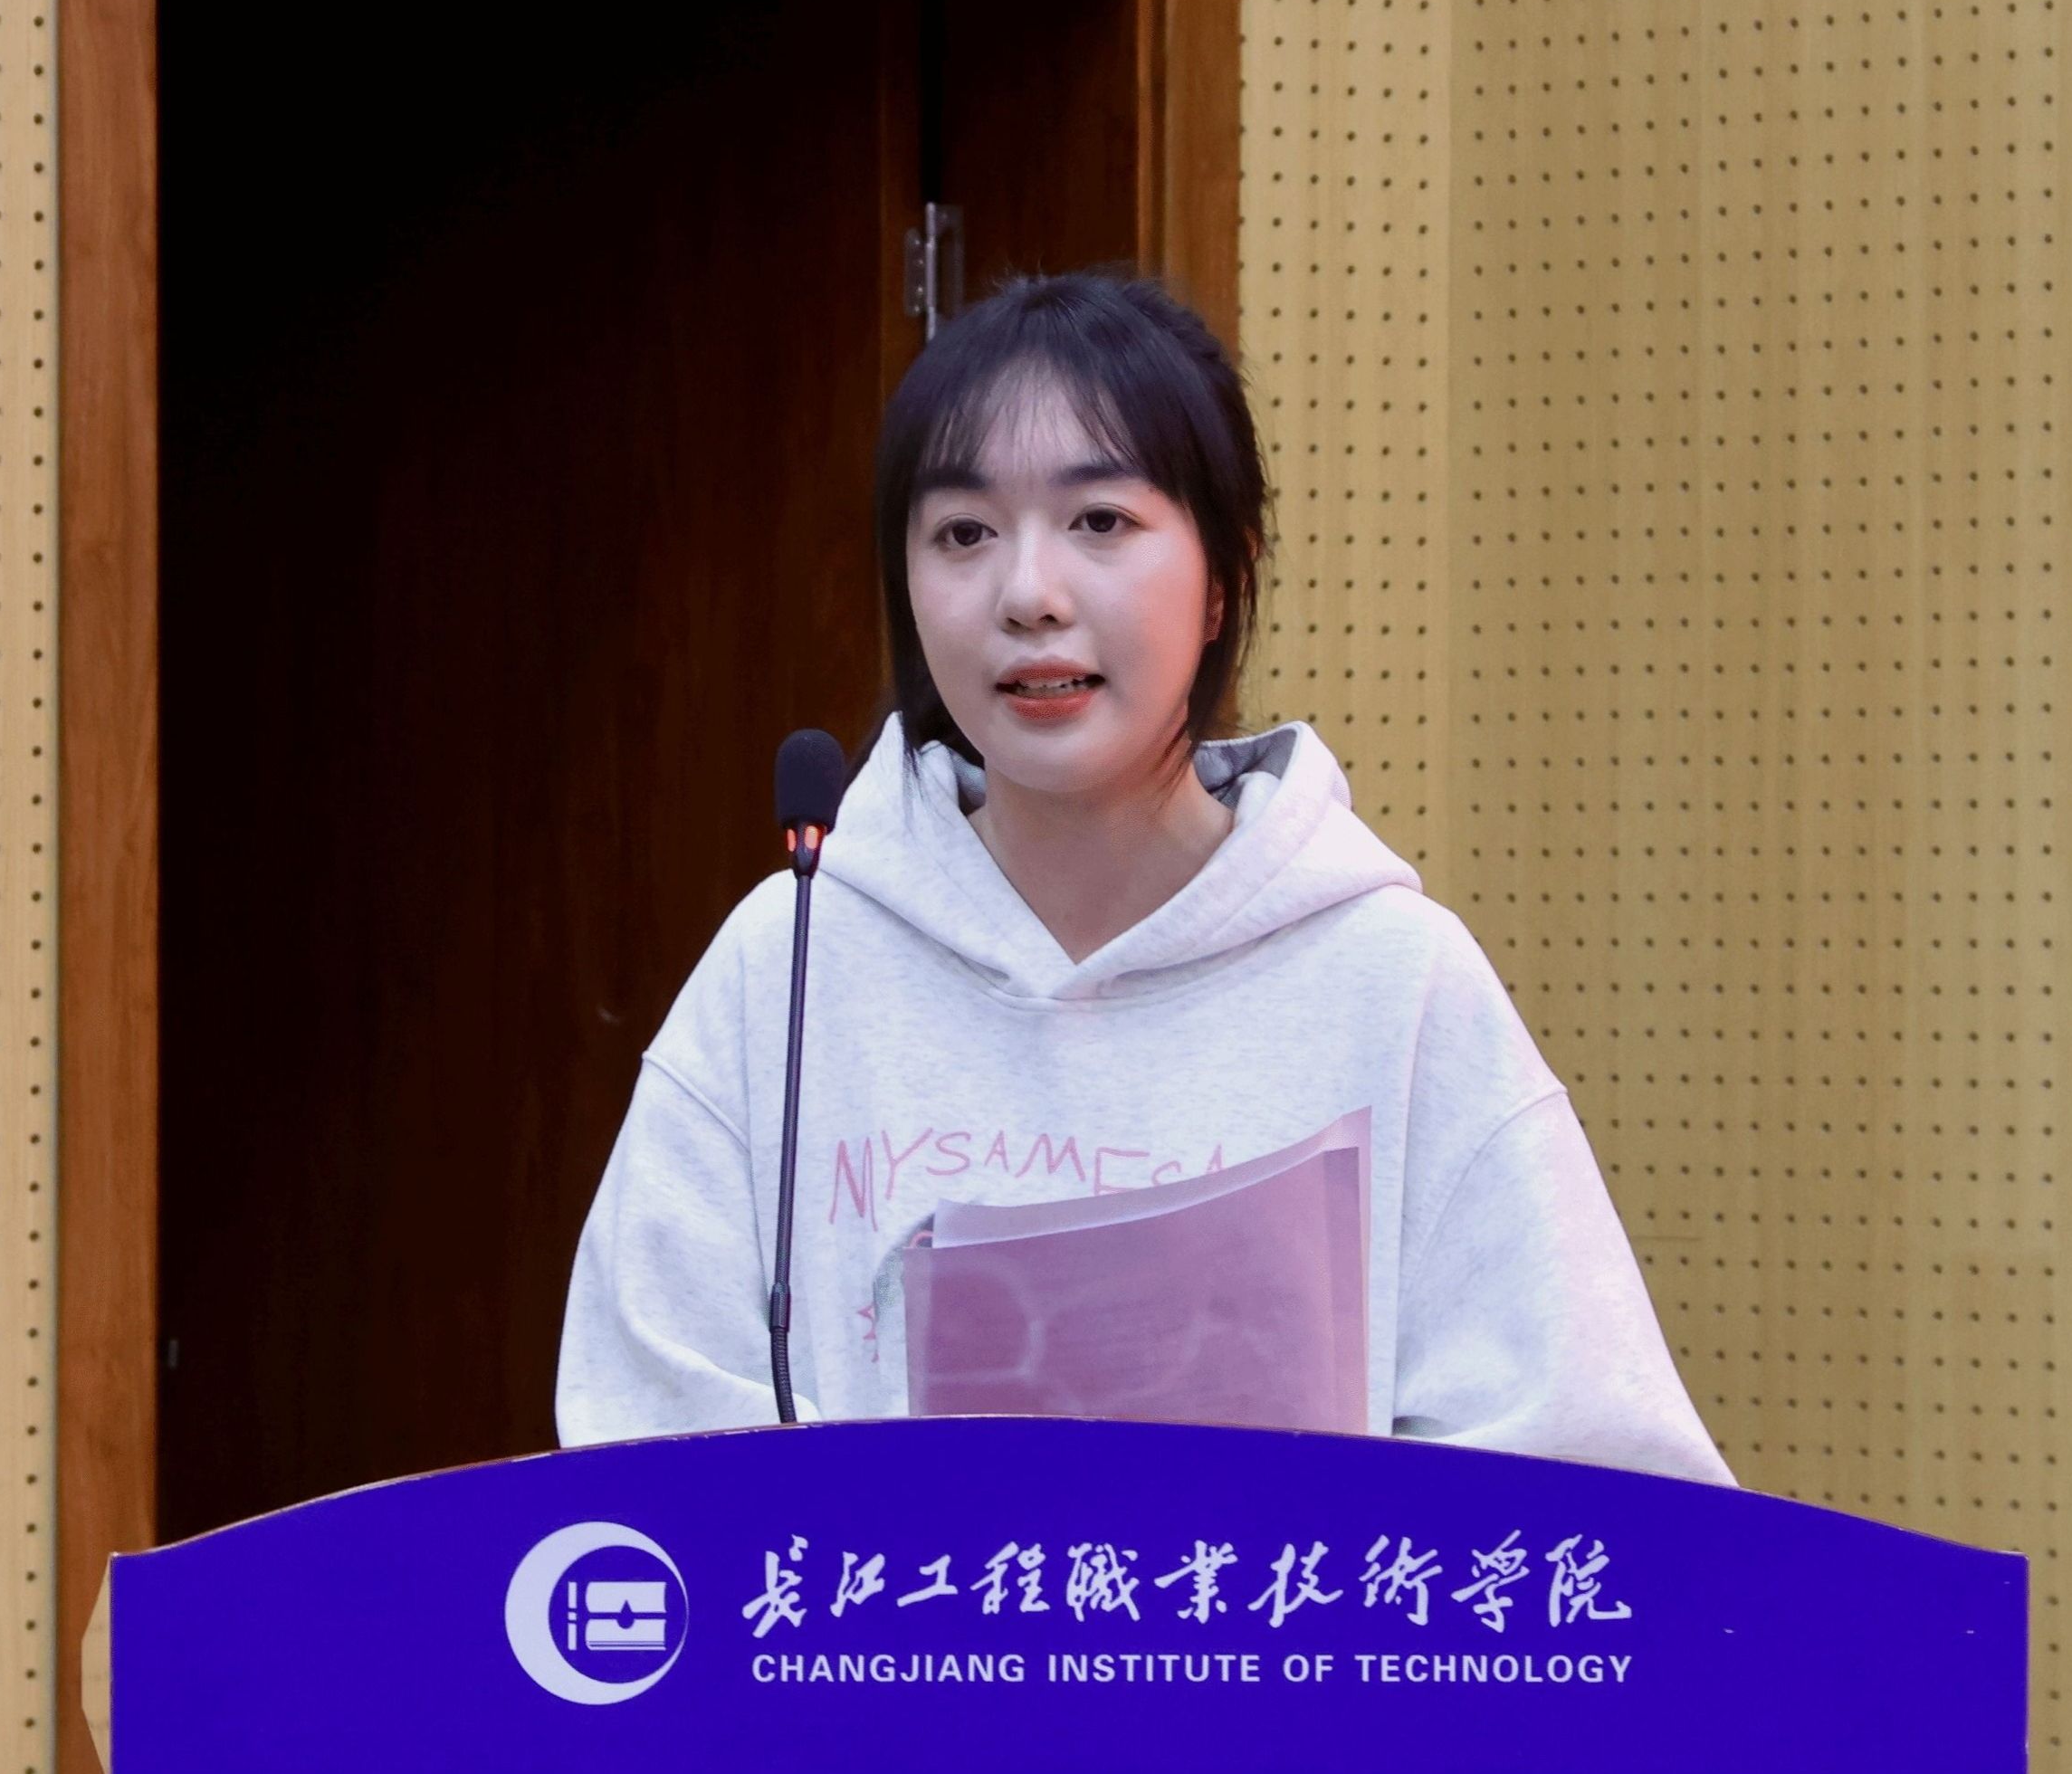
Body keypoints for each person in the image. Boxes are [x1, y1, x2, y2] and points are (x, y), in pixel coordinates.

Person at [552, 272, 1733, 1484]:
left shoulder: (1393, 980)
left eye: (1101, 521)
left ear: (1225, 574)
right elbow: (637, 1431)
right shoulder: (791, 964)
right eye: (963, 533)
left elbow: (1596, 1472)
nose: (1029, 595)